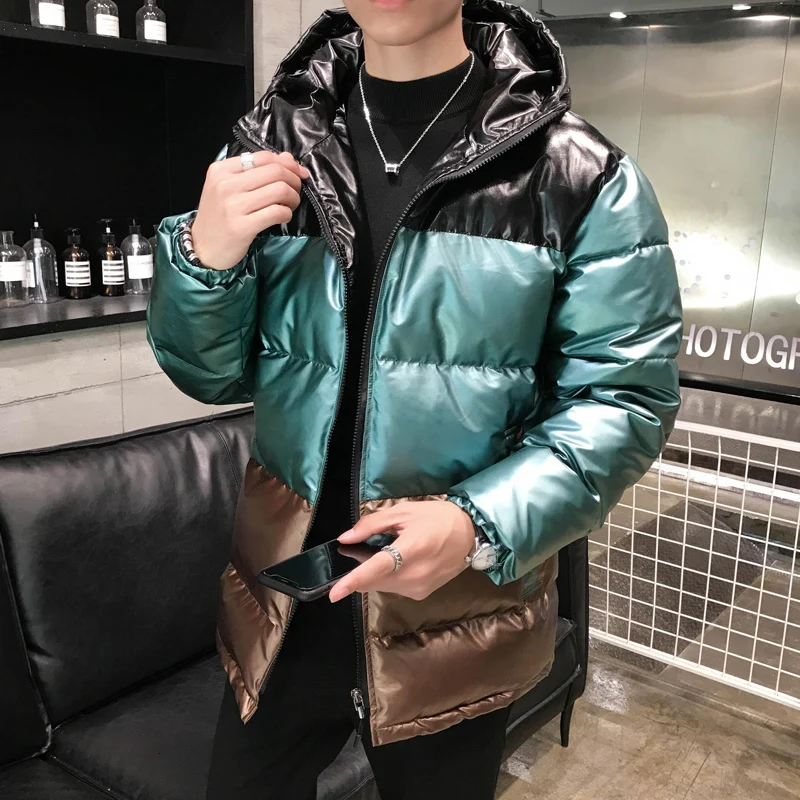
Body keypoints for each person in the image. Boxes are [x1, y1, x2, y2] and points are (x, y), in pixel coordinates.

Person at [146, 0, 683, 797]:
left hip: (452, 613)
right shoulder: (268, 147)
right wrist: (204, 258)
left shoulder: (580, 177)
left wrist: (476, 523)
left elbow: (625, 399)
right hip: (283, 602)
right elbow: (210, 375)